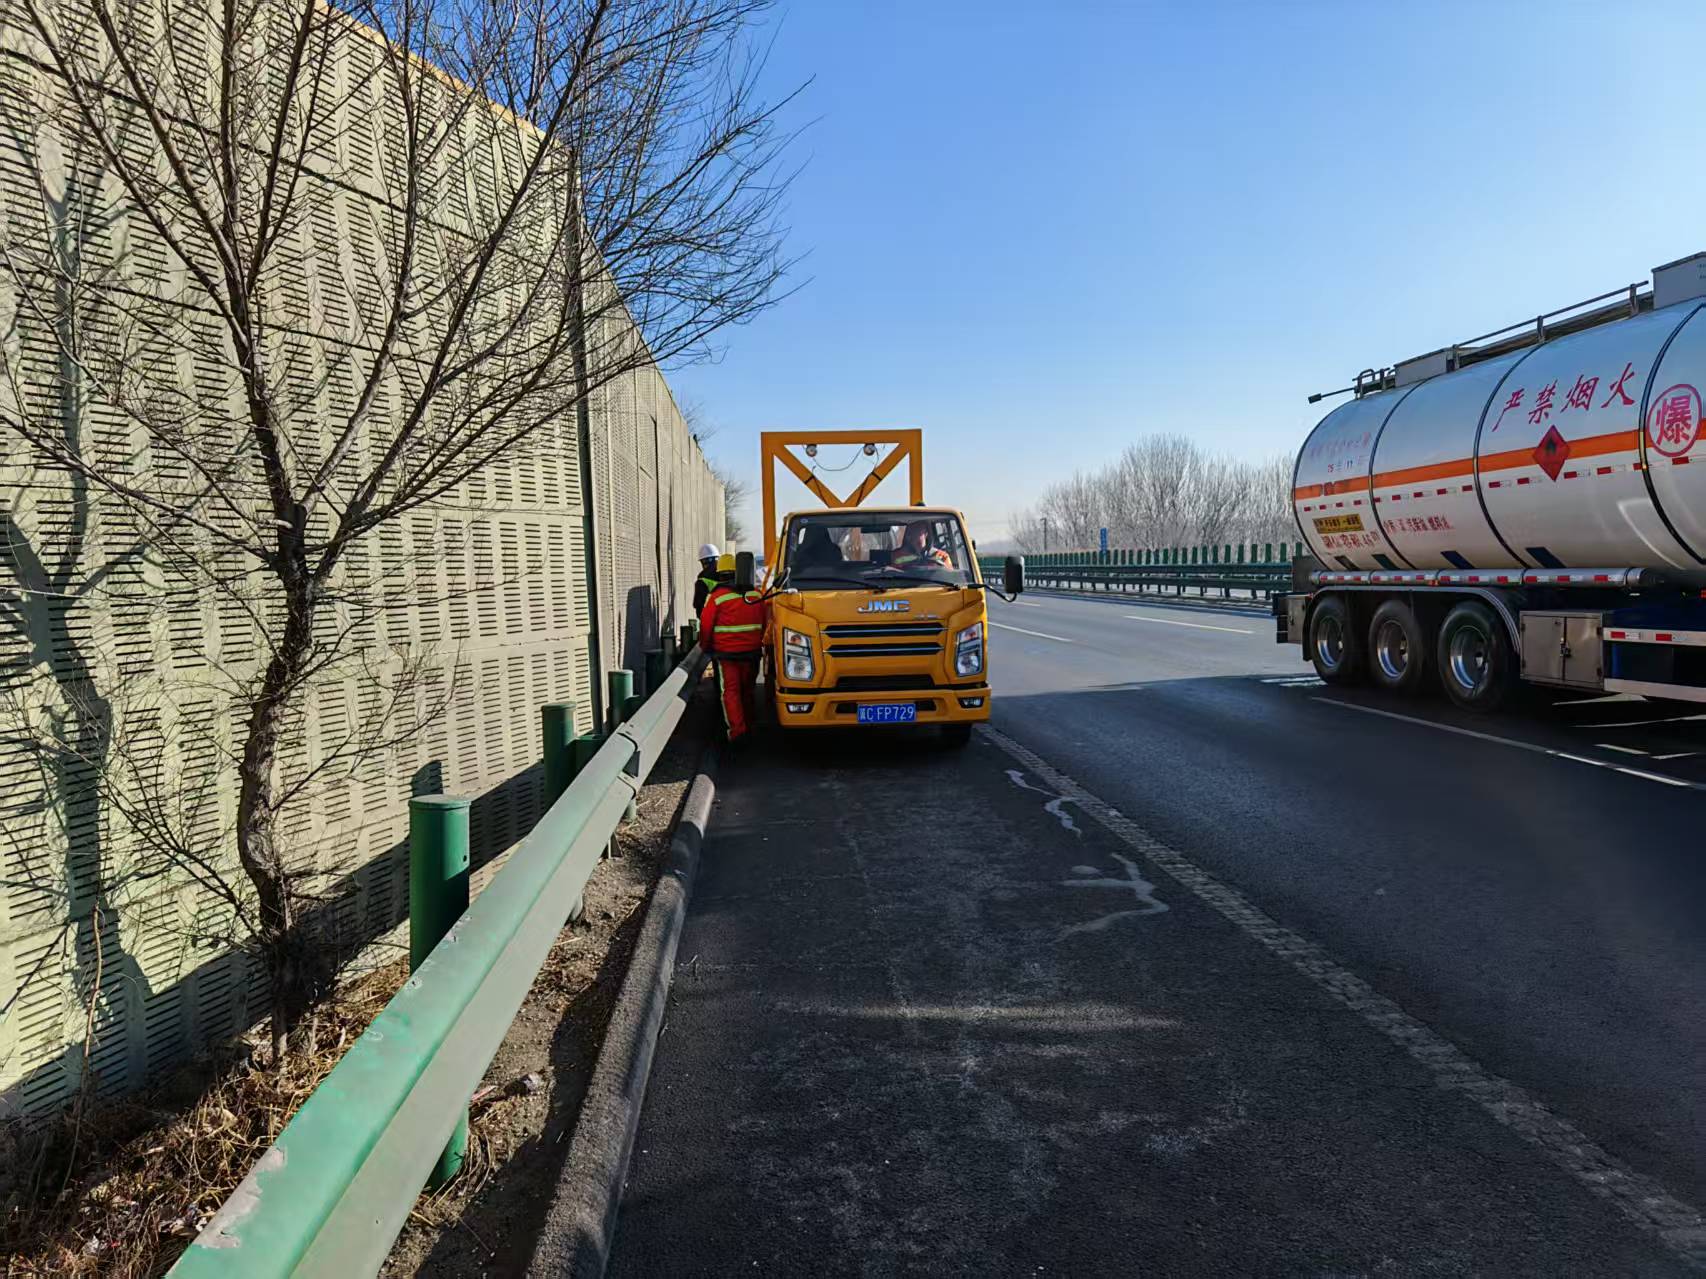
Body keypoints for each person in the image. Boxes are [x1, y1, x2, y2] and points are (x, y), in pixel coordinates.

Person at [699, 553, 768, 744]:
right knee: (747, 691)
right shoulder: (756, 594)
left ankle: (738, 733)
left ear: (719, 573)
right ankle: (749, 724)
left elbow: (705, 626)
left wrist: (705, 647)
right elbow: (765, 622)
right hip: (752, 654)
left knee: (731, 693)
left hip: (726, 656)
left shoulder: (717, 597)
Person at [692, 542, 720, 613]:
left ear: (704, 562)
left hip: (712, 615)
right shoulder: (730, 573)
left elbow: (698, 604)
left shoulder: (702, 579)